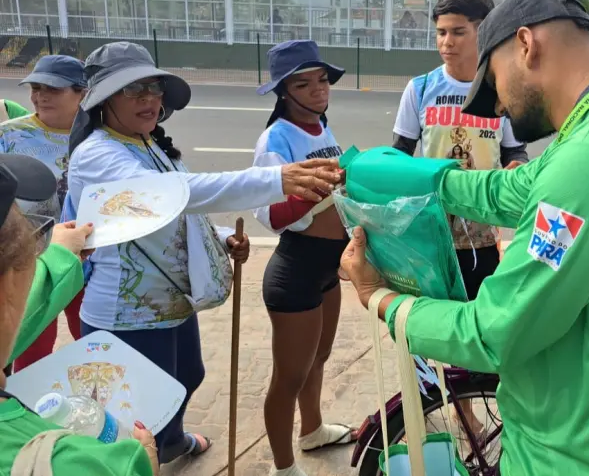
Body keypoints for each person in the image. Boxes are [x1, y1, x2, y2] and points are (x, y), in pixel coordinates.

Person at [342, 0, 589, 475]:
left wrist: (378, 297)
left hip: (583, 453)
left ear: (525, 45)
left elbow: (495, 332)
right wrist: (420, 178)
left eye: (494, 83)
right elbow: (511, 190)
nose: (496, 110)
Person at [66, 41, 343, 464]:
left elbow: (176, 212)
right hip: (127, 312)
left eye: (154, 89)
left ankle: (173, 443)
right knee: (136, 420)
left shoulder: (149, 145)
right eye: (133, 91)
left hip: (173, 299)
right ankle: (148, 459)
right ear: (103, 100)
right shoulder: (98, 154)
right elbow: (170, 194)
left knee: (187, 376)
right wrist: (274, 179)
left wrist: (219, 236)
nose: (148, 100)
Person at [392, 0, 528, 434]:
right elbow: (399, 158)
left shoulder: (499, 89)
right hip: (429, 239)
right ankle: (446, 415)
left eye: (457, 32)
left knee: (482, 329)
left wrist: (515, 169)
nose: (446, 42)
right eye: (440, 33)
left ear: (482, 32)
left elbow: (517, 155)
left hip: (482, 240)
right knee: (423, 332)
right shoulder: (420, 89)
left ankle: (480, 404)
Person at [0, 153, 159, 476]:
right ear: (8, 283)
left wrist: (58, 254)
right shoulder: (78, 463)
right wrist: (143, 464)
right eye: (35, 241)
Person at [252, 40, 354, 476]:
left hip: (327, 269)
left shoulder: (320, 128)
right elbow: (269, 214)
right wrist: (323, 187)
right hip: (295, 271)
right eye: (304, 83)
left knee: (319, 357)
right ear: (283, 91)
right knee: (287, 379)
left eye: (322, 80)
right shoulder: (276, 137)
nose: (318, 90)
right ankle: (283, 467)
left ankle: (311, 430)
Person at [1, 54, 87, 373]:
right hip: (28, 262)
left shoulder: (97, 137)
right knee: (31, 349)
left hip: (87, 256)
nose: (41, 96)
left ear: (82, 92)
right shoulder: (8, 136)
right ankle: (26, 414)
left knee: (94, 344)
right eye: (36, 87)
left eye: (53, 88)